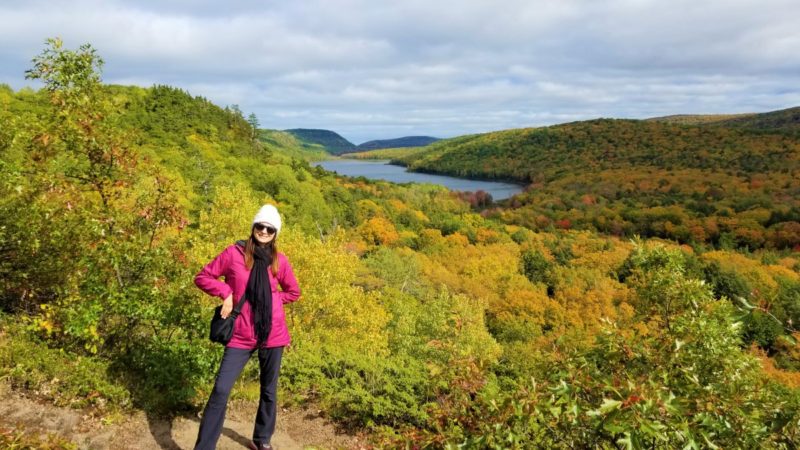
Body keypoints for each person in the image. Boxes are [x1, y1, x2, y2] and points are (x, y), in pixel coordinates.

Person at [193, 204, 301, 450]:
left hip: (273, 334)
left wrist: (272, 301)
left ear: (275, 234)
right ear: (253, 227)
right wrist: (225, 292)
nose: (264, 231)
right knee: (221, 390)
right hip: (241, 334)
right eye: (260, 226)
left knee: (269, 391)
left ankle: (262, 440)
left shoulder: (279, 261)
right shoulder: (234, 254)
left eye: (270, 229)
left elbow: (293, 292)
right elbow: (202, 277)